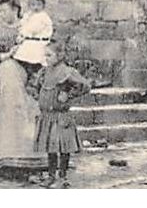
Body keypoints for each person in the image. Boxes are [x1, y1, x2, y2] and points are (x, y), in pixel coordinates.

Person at [0, 0, 47, 176]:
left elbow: (44, 47)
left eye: (4, 10)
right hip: (8, 74)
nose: (1, 14)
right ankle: (9, 156)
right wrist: (7, 55)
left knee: (31, 107)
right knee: (12, 105)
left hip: (32, 73)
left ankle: (35, 158)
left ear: (15, 9)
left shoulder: (29, 25)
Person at [32, 41, 93, 188]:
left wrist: (69, 94)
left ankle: (62, 176)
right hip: (47, 117)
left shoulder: (67, 72)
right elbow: (36, 87)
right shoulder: (44, 72)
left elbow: (85, 86)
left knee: (63, 147)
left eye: (50, 55)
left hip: (61, 117)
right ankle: (51, 175)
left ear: (59, 56)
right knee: (50, 147)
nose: (46, 58)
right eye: (45, 55)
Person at [14, 0, 54, 74]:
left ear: (43, 6)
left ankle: (36, 73)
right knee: (24, 56)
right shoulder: (30, 15)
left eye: (39, 5)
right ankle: (27, 72)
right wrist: (21, 34)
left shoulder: (42, 17)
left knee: (35, 58)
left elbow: (34, 29)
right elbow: (23, 25)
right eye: (33, 5)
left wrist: (24, 34)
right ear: (29, 6)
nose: (36, 7)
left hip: (38, 41)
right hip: (30, 41)